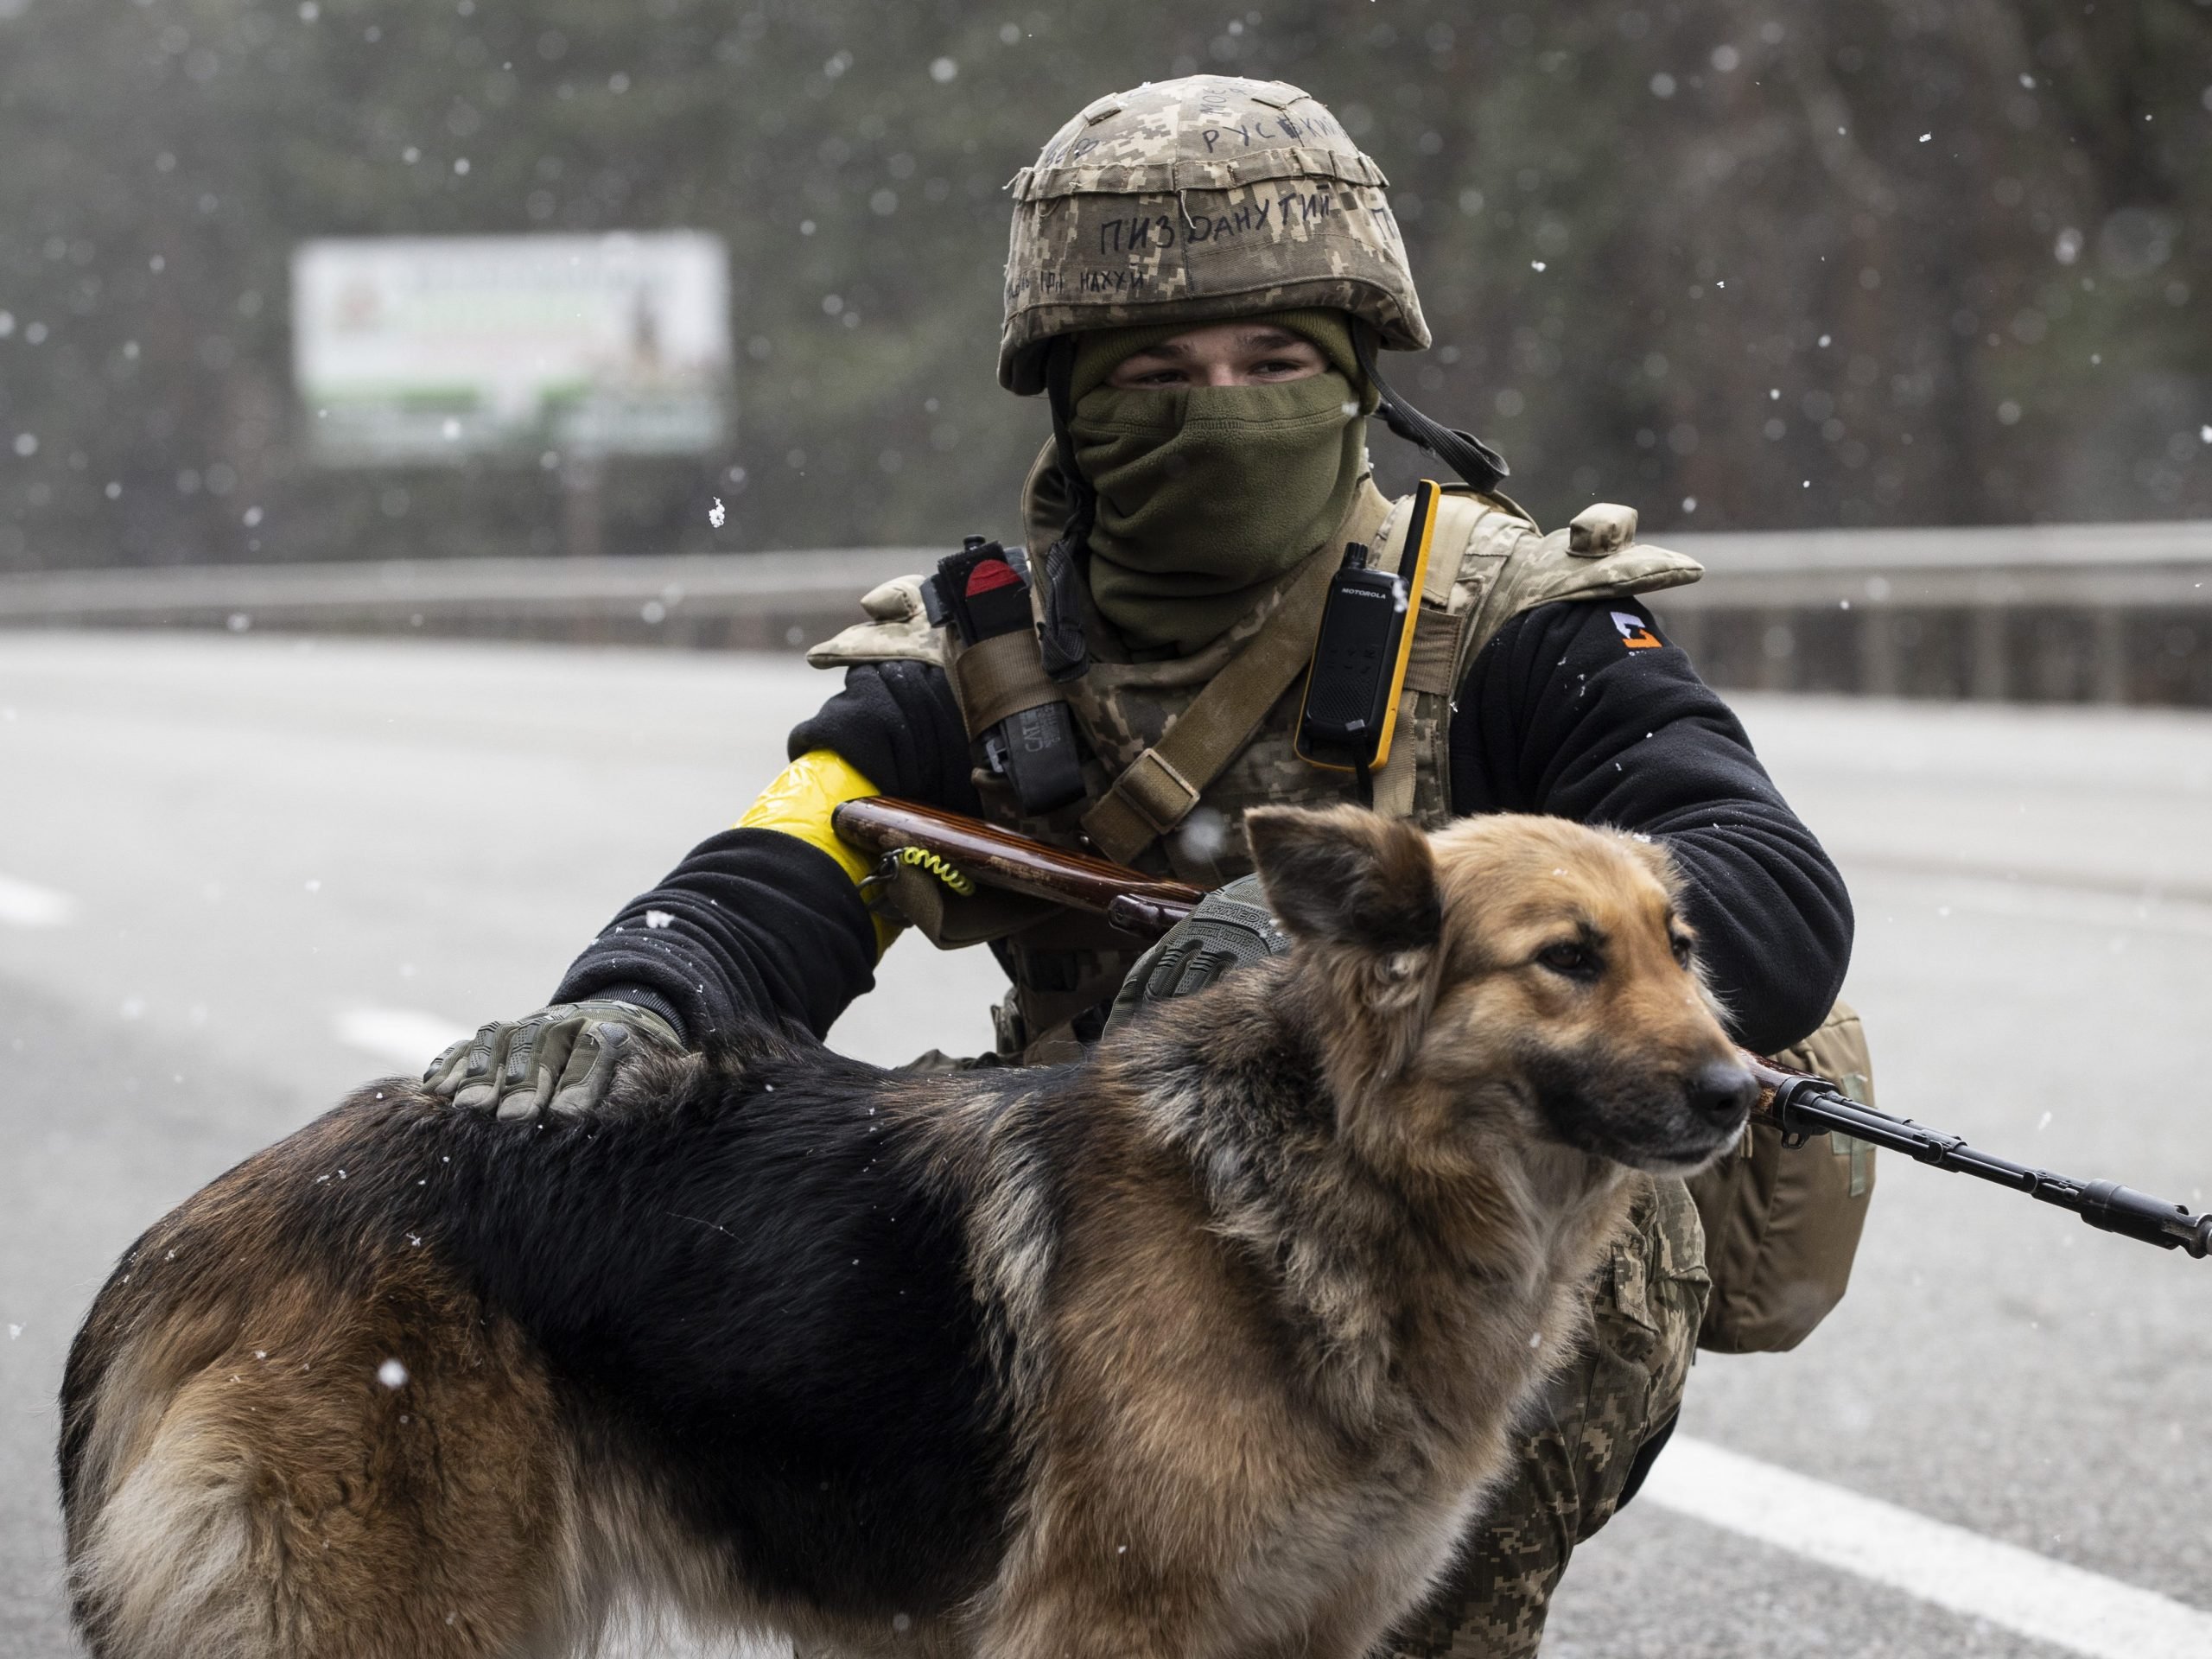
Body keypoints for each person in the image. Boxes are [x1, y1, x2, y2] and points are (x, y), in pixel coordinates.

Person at [425, 75, 1854, 1656]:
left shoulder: (1520, 618)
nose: (1220, 403)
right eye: (1158, 369)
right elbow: (791, 860)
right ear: (1071, 402)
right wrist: (643, 993)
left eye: (1276, 362)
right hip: (1124, 1258)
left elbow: (1764, 883)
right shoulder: (979, 648)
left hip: (1469, 1225)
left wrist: (1419, 916)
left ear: (1359, 379)